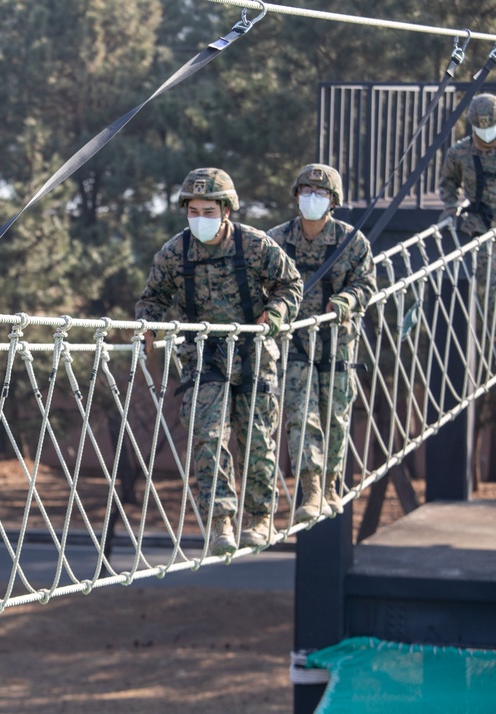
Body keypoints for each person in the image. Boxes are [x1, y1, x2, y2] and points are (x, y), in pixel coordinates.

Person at [135, 168, 301, 555]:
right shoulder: (176, 252)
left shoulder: (254, 245)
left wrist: (274, 315)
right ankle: (220, 523)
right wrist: (148, 325)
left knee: (257, 439)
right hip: (204, 357)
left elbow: (290, 284)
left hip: (253, 354)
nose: (199, 219)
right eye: (193, 211)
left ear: (226, 211)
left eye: (208, 211)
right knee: (208, 439)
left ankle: (259, 517)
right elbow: (153, 299)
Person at [267, 164, 376, 522]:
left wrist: (346, 300)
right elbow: (257, 284)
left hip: (338, 345)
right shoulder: (276, 241)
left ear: (333, 201)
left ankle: (330, 484)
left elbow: (366, 285)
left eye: (321, 194)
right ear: (296, 195)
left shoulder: (352, 241)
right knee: (302, 416)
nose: (311, 199)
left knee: (336, 418)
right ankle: (311, 489)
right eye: (306, 192)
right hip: (295, 344)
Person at [439, 93, 496, 362]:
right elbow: (448, 182)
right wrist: (449, 206)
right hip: (481, 226)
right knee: (490, 283)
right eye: (481, 126)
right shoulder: (460, 153)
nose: (487, 131)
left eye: (491, 125)